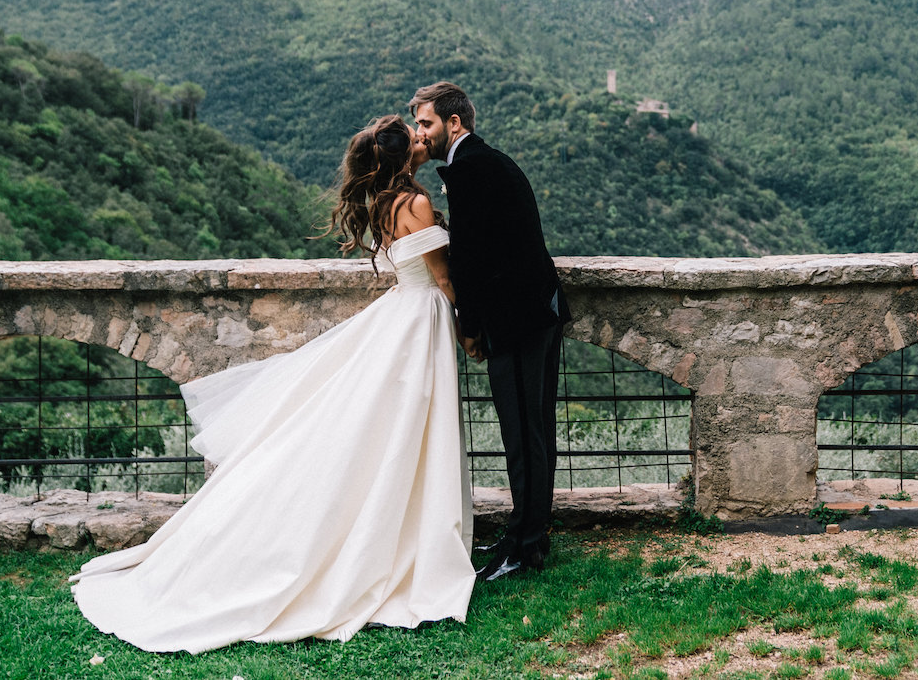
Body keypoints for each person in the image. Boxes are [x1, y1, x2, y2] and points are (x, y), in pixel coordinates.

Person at [70, 115, 475, 653]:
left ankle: (400, 529)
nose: (424, 143)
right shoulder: (415, 205)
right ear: (404, 158)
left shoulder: (381, 204)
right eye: (417, 141)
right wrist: (468, 329)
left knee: (387, 428)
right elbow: (443, 277)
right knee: (411, 427)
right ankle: (410, 538)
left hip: (400, 314)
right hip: (420, 318)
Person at [410, 81, 569, 582]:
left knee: (524, 434)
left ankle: (526, 547)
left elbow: (472, 262)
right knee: (532, 430)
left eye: (427, 123)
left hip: (516, 321)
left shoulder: (471, 170)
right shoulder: (485, 162)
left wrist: (469, 327)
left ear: (454, 124)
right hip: (533, 312)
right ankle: (528, 533)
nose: (421, 133)